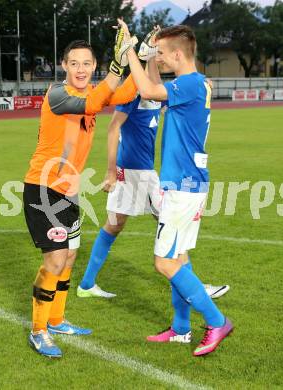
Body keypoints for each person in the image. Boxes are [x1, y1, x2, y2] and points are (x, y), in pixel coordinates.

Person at [77, 29, 229, 304]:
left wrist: (146, 57)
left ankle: (87, 284)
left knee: (116, 225)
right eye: (153, 53)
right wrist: (111, 171)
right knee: (167, 225)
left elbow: (155, 83)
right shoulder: (136, 92)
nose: (157, 59)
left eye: (158, 54)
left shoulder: (163, 90)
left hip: (145, 172)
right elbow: (113, 129)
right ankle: (194, 286)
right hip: (136, 173)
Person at [117, 20, 233, 356]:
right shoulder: (193, 83)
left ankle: (216, 321)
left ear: (179, 53)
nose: (161, 59)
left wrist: (129, 51)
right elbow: (155, 85)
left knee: (164, 263)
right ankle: (181, 329)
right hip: (184, 183)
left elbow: (149, 91)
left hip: (183, 186)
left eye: (164, 54)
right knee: (179, 257)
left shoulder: (192, 83)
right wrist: (151, 54)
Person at [23, 28, 138, 358]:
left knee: (70, 256)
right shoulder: (57, 94)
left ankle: (57, 319)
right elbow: (93, 101)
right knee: (55, 260)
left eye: (87, 63)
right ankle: (39, 330)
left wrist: (140, 57)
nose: (80, 68)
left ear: (93, 66)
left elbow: (127, 93)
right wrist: (116, 69)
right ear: (63, 65)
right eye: (74, 63)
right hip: (44, 189)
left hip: (68, 192)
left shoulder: (93, 90)